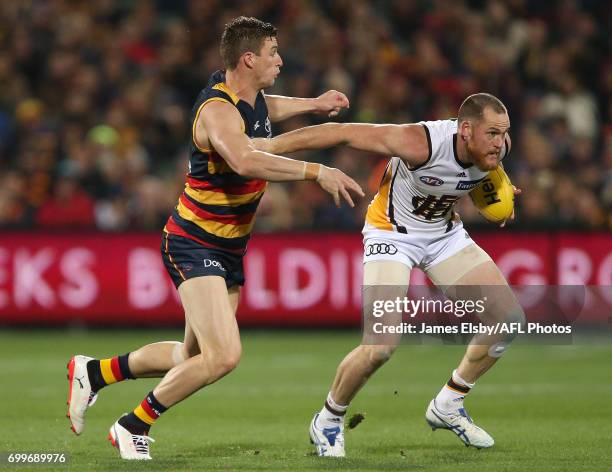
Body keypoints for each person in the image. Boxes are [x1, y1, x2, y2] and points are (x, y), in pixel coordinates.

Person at [66, 16, 363, 460]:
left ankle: (95, 372)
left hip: (227, 246)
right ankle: (133, 425)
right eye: (272, 53)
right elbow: (244, 160)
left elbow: (268, 109)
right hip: (193, 241)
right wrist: (316, 170)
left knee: (193, 356)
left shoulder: (251, 97)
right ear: (249, 58)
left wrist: (314, 103)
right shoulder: (217, 111)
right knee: (224, 355)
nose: (280, 60)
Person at [253, 93, 525, 456]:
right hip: (391, 234)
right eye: (492, 133)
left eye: (503, 133)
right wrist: (270, 145)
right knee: (380, 347)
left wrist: (500, 197)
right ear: (465, 130)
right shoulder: (419, 142)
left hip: (443, 234)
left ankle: (449, 403)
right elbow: (342, 132)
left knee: (507, 318)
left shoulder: (497, 147)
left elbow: (484, 178)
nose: (499, 142)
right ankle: (329, 419)